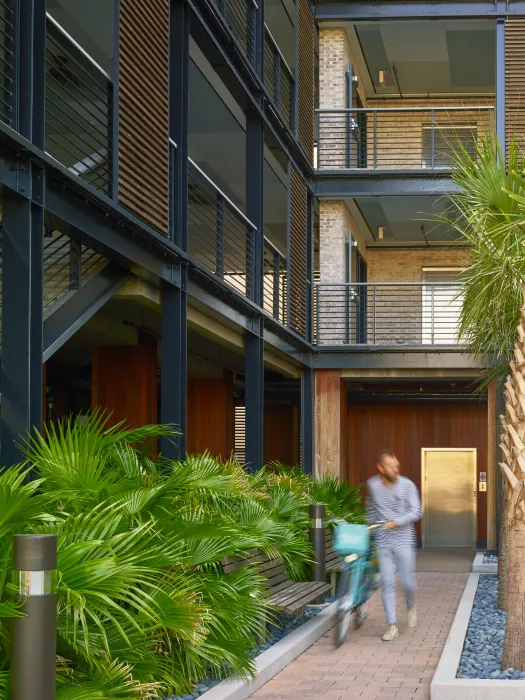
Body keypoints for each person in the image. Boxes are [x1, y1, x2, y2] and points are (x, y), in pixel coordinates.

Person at [366, 450, 422, 642]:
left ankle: (411, 605)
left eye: (397, 466)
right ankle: (392, 626)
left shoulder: (407, 485)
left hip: (404, 540)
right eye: (391, 466)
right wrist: (369, 526)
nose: (395, 469)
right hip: (383, 541)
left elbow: (416, 512)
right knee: (387, 583)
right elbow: (371, 509)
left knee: (407, 582)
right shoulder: (372, 486)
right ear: (380, 468)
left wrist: (395, 522)